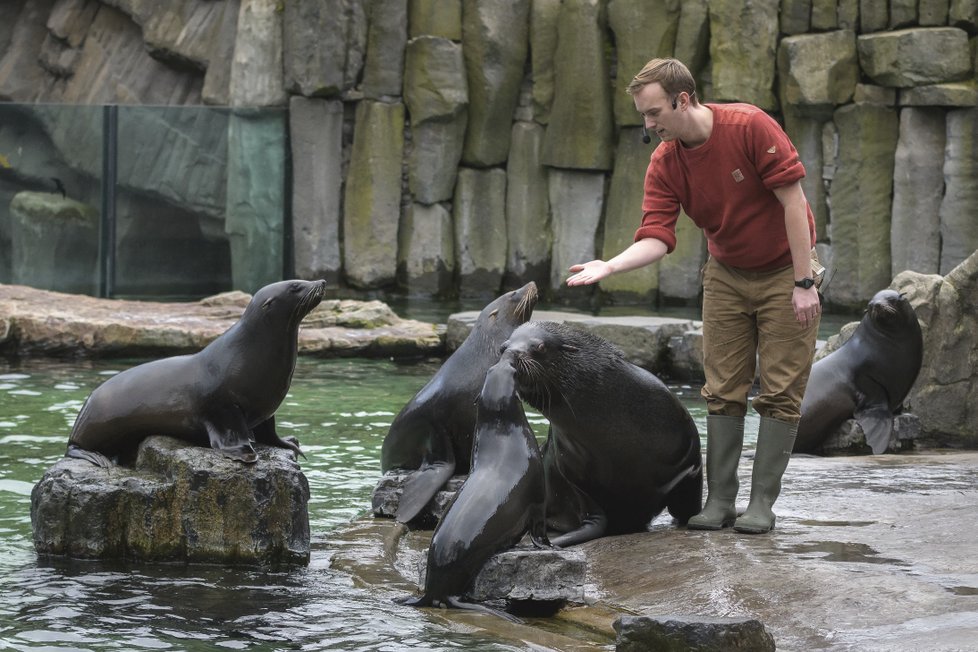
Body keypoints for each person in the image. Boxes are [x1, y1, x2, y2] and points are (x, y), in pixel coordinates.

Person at [566, 58, 821, 534]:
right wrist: (611, 264)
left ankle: (761, 505)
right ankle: (721, 500)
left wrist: (804, 283)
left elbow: (794, 202)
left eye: (654, 112)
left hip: (787, 269)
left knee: (782, 390)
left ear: (684, 100)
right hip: (726, 272)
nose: (648, 124)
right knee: (723, 387)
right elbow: (658, 236)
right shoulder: (666, 161)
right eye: (643, 115)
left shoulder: (749, 126)